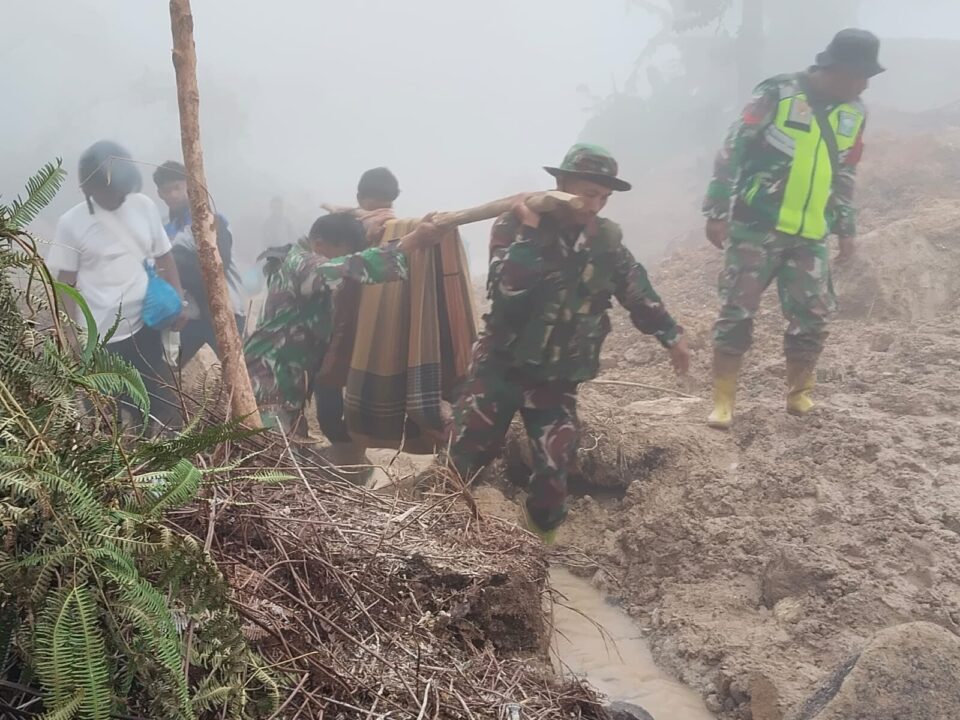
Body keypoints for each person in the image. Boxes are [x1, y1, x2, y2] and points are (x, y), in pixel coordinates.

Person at [448, 144, 690, 541]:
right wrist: (527, 228)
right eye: (587, 194)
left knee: (553, 479)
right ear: (561, 185)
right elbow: (507, 288)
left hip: (555, 383)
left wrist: (671, 336)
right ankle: (440, 538)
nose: (594, 206)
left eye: (603, 198)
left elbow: (637, 291)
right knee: (462, 460)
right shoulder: (514, 226)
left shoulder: (605, 242)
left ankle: (538, 556)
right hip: (499, 370)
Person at [702, 29, 883, 429]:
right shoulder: (779, 93)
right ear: (833, 69)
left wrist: (846, 228)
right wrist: (716, 209)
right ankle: (723, 402)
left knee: (813, 316)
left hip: (810, 235)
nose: (864, 84)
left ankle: (799, 395)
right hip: (756, 229)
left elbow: (846, 171)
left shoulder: (856, 112)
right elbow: (733, 148)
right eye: (858, 75)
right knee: (737, 314)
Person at [244, 211, 447, 455]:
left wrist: (364, 230)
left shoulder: (295, 257)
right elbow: (349, 267)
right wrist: (412, 241)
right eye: (341, 251)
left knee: (289, 458)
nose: (343, 257)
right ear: (319, 244)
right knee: (273, 463)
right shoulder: (302, 264)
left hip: (285, 385)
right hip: (269, 386)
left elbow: (347, 259)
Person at [47, 140, 187, 431]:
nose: (121, 197)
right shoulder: (71, 223)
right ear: (88, 189)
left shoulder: (143, 206)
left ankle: (153, 460)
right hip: (99, 337)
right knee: (103, 410)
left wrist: (178, 300)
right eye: (112, 192)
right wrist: (71, 336)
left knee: (151, 402)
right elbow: (66, 284)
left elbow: (164, 256)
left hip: (144, 326)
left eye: (125, 189)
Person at [313, 167, 401, 469]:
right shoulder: (395, 225)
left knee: (327, 384)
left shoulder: (362, 228)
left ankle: (349, 455)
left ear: (360, 197)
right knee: (344, 386)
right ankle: (352, 457)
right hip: (378, 323)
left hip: (346, 320)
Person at [153, 160, 246, 366]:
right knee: (165, 372)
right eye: (167, 191)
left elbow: (219, 265)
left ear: (189, 186)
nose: (173, 195)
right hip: (189, 316)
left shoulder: (211, 221)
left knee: (241, 375)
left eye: (177, 188)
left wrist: (175, 268)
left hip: (225, 310)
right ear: (159, 194)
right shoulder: (166, 230)